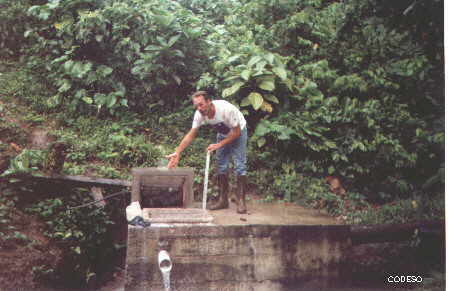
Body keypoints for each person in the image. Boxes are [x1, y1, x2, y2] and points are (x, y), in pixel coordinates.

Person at [166, 91, 248, 214]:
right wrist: (177, 152)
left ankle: (241, 200)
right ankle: (223, 200)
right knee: (221, 164)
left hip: (239, 130)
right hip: (223, 132)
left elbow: (236, 133)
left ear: (209, 101)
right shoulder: (199, 114)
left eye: (201, 104)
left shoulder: (226, 109)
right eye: (196, 105)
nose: (199, 108)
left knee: (240, 165)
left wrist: (219, 145)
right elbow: (191, 134)